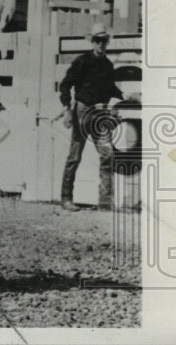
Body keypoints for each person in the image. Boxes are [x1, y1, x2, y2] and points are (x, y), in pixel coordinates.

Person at [54, 23, 125, 211]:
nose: (101, 44)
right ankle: (66, 198)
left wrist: (125, 97)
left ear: (107, 42)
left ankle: (105, 202)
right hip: (82, 112)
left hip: (101, 114)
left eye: (104, 40)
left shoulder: (108, 65)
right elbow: (65, 85)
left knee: (107, 154)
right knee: (75, 156)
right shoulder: (82, 61)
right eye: (97, 40)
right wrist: (67, 109)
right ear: (92, 42)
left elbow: (110, 88)